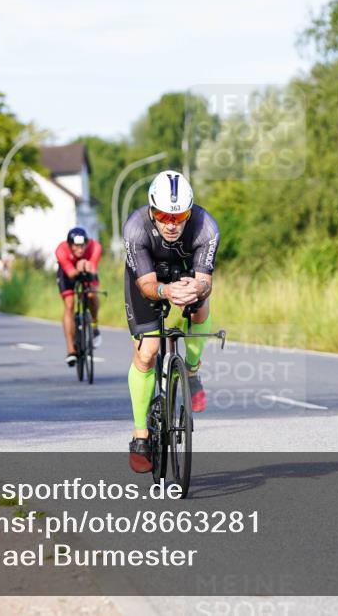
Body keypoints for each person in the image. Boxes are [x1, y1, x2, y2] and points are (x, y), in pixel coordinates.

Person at [122, 170, 219, 473]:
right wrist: (165, 291)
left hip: (185, 274)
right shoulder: (136, 229)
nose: (171, 224)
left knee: (201, 309)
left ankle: (191, 369)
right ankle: (140, 435)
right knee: (148, 352)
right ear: (152, 211)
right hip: (148, 279)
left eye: (180, 217)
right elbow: (146, 284)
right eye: (163, 216)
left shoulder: (206, 227)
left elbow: (206, 280)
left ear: (190, 213)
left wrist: (196, 289)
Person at [56, 226, 102, 366]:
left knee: (91, 295)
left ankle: (93, 325)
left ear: (87, 243)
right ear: (69, 245)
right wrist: (78, 267)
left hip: (87, 270)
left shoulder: (95, 247)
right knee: (69, 304)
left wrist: (86, 266)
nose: (80, 249)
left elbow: (93, 268)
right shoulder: (61, 250)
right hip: (68, 272)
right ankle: (71, 350)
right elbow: (70, 274)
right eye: (76, 246)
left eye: (82, 246)